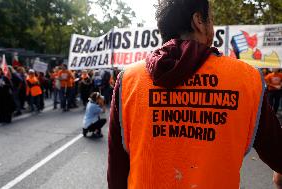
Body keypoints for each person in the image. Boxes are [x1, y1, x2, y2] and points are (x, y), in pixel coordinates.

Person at [107, 0, 282, 188]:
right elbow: (278, 153)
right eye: (211, 20)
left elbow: (116, 169)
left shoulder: (128, 79)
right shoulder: (247, 78)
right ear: (199, 21)